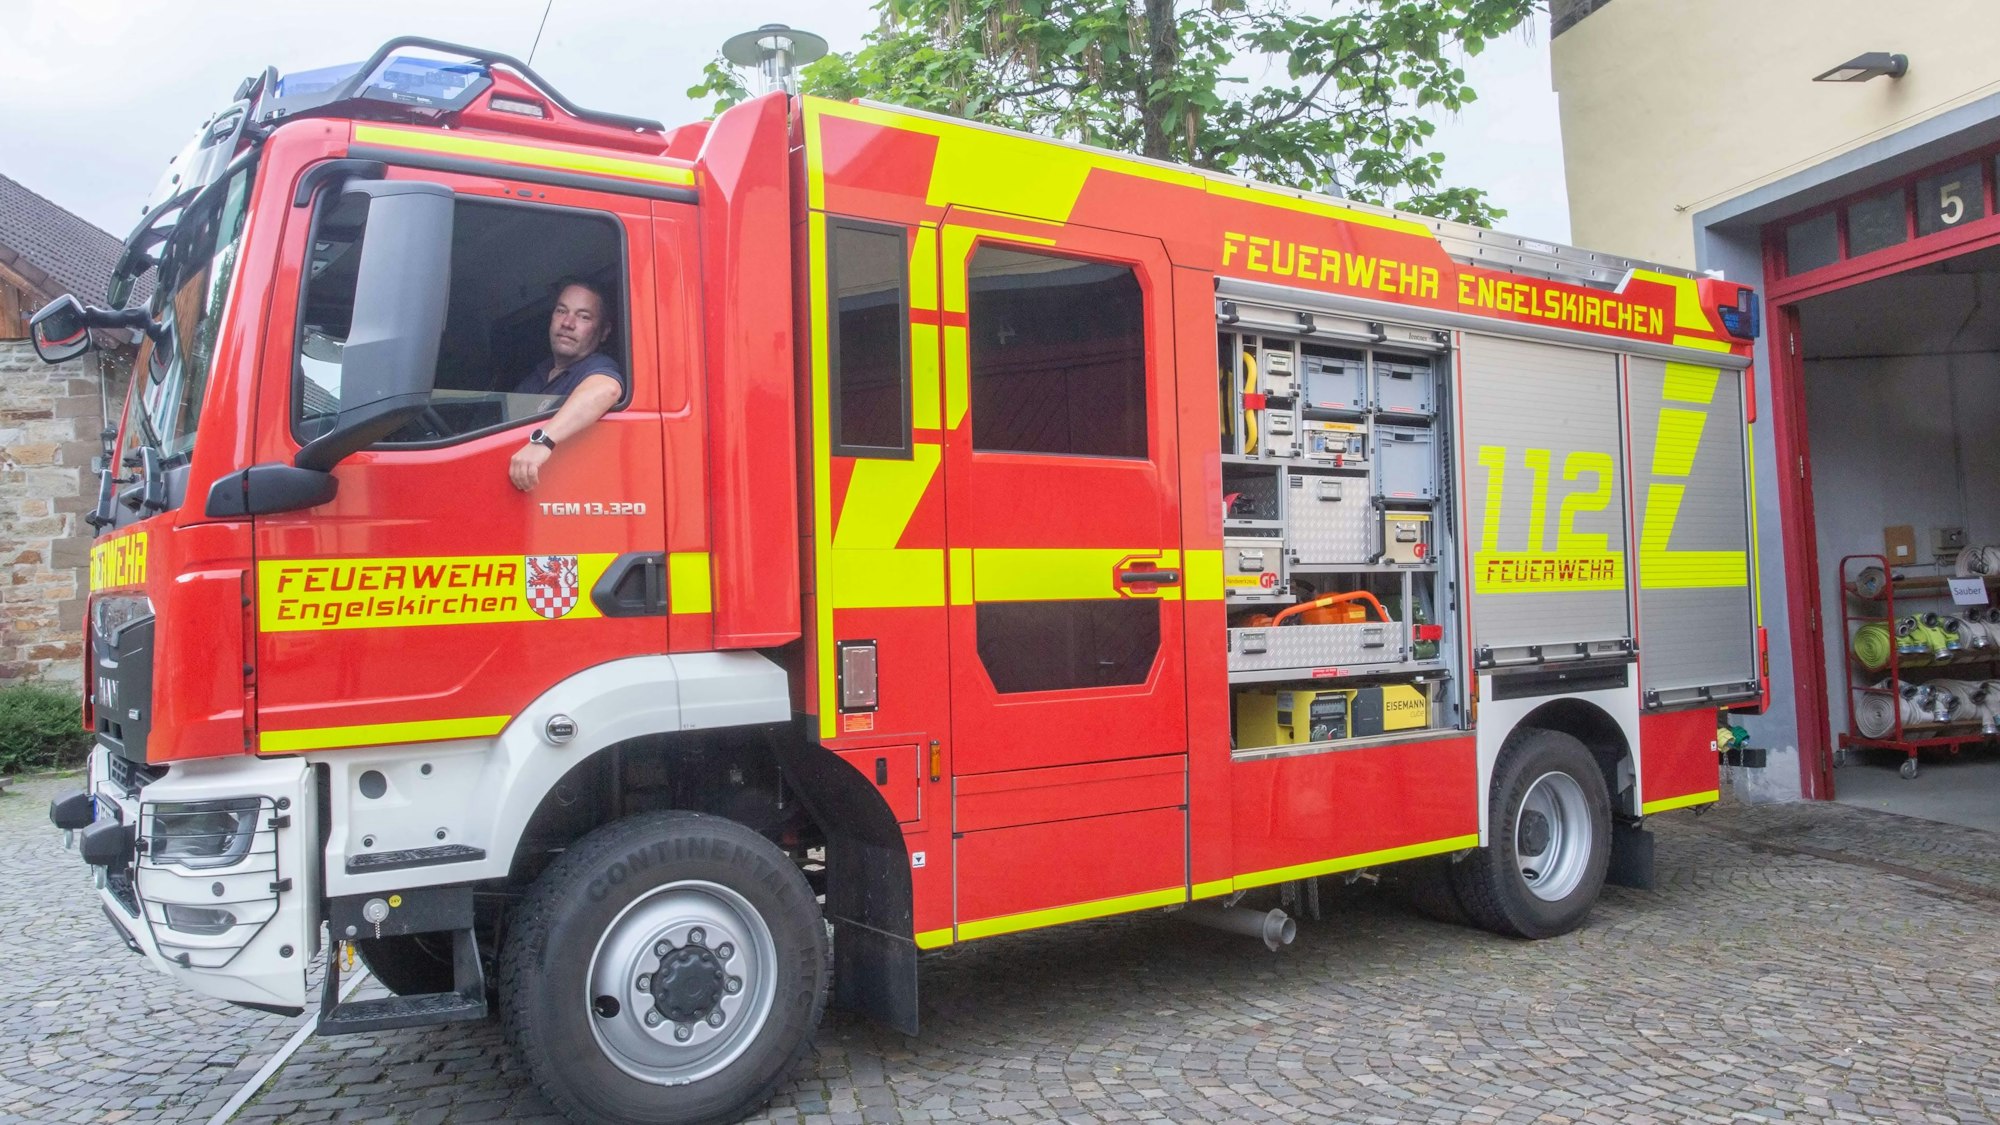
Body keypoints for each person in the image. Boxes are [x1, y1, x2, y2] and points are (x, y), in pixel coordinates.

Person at [508, 279, 624, 492]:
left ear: (604, 331)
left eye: (583, 316)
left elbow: (607, 390)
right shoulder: (536, 376)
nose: (568, 323)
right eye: (562, 311)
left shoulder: (598, 366)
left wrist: (542, 442)